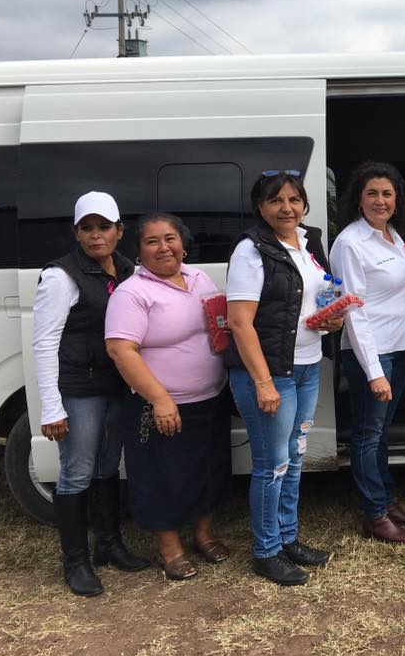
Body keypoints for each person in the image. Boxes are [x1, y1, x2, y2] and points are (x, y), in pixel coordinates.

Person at [225, 170, 342, 585]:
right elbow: (240, 323)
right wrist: (262, 382)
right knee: (271, 465)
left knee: (294, 460)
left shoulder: (309, 242)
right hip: (272, 375)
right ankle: (266, 551)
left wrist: (330, 321)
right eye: (276, 201)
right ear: (261, 207)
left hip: (307, 366)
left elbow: (315, 297)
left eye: (293, 199)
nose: (286, 208)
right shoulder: (250, 251)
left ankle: (287, 538)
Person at [31, 192, 148, 596]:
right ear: (76, 231)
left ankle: (109, 545)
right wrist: (51, 407)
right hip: (81, 388)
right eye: (87, 228)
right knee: (76, 470)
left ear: (119, 230)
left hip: (116, 384)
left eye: (104, 227)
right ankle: (75, 562)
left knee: (108, 466)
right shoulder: (60, 276)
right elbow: (45, 343)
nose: (96, 236)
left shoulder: (130, 270)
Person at [105, 213, 231, 580]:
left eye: (170, 238)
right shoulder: (133, 292)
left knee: (209, 469)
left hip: (210, 397)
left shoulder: (200, 279)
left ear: (183, 243)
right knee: (162, 477)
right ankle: (169, 548)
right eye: (153, 241)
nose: (164, 247)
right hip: (159, 405)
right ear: (139, 251)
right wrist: (160, 399)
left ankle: (203, 535)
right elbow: (121, 350)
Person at [330, 161, 405, 543]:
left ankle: (385, 498)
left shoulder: (394, 236)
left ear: (397, 199)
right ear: (359, 199)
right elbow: (352, 311)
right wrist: (373, 371)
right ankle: (374, 513)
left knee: (380, 432)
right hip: (371, 353)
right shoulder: (351, 243)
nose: (380, 201)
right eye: (372, 193)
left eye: (387, 193)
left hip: (398, 348)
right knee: (368, 435)